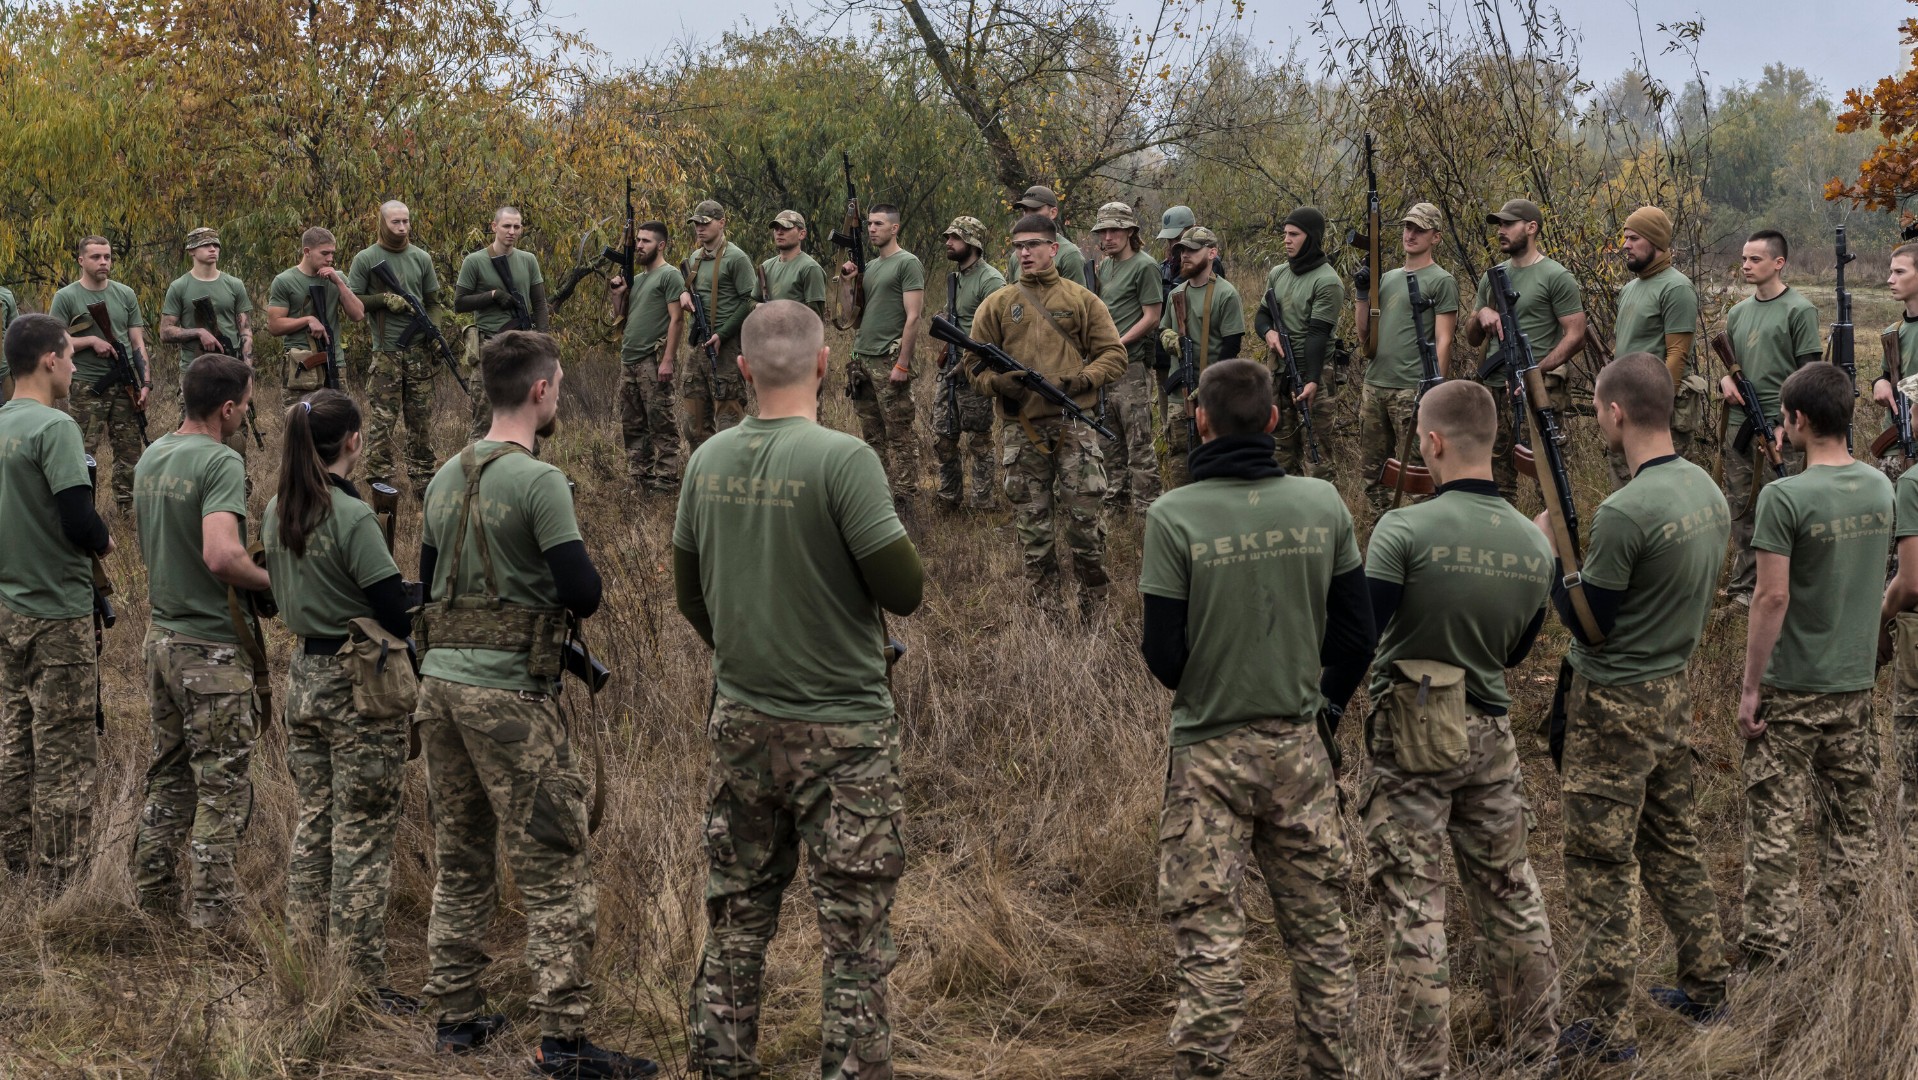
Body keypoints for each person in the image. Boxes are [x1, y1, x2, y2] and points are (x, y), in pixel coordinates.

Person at [674, 299, 922, 1080]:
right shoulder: (845, 461)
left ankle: (719, 1064)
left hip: (742, 717)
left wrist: (747, 646)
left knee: (738, 911)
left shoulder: (707, 459)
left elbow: (689, 593)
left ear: (742, 370)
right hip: (843, 731)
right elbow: (903, 588)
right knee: (853, 931)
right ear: (823, 366)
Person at [412, 331, 650, 1077]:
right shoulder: (539, 480)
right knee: (555, 863)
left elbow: (425, 584)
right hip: (510, 691)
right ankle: (565, 1040)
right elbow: (583, 592)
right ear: (542, 390)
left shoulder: (443, 477)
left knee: (461, 854)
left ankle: (454, 1017)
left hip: (440, 687)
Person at [1140, 358, 1373, 1080]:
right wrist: (1319, 702)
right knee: (1322, 934)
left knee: (1209, 938)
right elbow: (1355, 637)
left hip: (1209, 750)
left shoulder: (1172, 516)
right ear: (1274, 421)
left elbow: (1165, 654)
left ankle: (1203, 1068)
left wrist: (1219, 677)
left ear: (1199, 421)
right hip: (1300, 746)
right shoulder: (1323, 503)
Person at [1342, 379, 1557, 1076]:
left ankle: (1420, 1065)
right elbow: (1516, 653)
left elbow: (1362, 637)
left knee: (1414, 908)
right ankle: (1536, 1050)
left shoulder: (1403, 529)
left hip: (1409, 729)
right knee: (1510, 892)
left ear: (1431, 443)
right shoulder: (1533, 543)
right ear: (1493, 443)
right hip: (1490, 732)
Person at [1543, 352, 1732, 1063]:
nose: (1596, 421)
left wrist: (1553, 556)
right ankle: (1709, 986)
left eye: (1596, 411)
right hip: (1671, 690)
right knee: (1674, 841)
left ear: (1617, 412)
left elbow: (1590, 623)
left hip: (1616, 704)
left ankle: (1602, 1028)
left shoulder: (1627, 511)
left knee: (1600, 862)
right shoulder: (1705, 489)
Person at [261, 388, 416, 1010]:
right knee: (363, 829)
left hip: (304, 673)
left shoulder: (278, 508)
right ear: (353, 441)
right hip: (358, 683)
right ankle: (358, 977)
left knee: (316, 819)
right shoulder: (350, 518)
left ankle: (305, 956)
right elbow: (393, 613)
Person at [1735, 363, 1889, 965]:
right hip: (1854, 683)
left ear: (1796, 420)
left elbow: (1772, 597)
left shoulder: (1783, 497)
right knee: (1852, 821)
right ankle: (1854, 945)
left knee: (1774, 825)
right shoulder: (1881, 486)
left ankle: (1768, 952)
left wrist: (1751, 688)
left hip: (1794, 685)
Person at [129, 354, 269, 929]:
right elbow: (221, 554)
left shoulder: (152, 455)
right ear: (228, 407)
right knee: (223, 788)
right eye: (247, 403)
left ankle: (152, 895)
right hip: (209, 648)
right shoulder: (220, 462)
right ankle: (213, 914)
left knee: (170, 777)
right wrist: (275, 581)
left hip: (161, 638)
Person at [0, 314, 113, 886]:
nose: (73, 366)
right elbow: (77, 517)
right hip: (55, 607)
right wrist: (105, 538)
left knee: (13, 737)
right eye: (69, 356)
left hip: (7, 603)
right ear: (49, 359)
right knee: (65, 747)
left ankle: (15, 860)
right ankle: (61, 877)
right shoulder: (56, 427)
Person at [969, 213, 1126, 621]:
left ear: (1053, 248)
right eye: (1018, 246)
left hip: (1075, 428)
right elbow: (973, 366)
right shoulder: (998, 304)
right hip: (1021, 433)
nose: (1024, 252)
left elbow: (1114, 354)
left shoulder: (1081, 299)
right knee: (1033, 532)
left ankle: (1095, 612)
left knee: (1086, 528)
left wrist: (1083, 379)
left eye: (1033, 244)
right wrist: (998, 384)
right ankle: (1048, 616)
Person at [1716, 230, 1822, 606]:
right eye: (1743, 259)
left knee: (1782, 513)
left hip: (1783, 431)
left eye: (1755, 259)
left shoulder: (1799, 309)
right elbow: (1731, 366)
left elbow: (1808, 375)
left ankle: (1786, 592)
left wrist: (1784, 423)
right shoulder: (1738, 313)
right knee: (1741, 512)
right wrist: (1724, 380)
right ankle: (1744, 593)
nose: (1745, 265)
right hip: (1739, 429)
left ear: (1779, 263)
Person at [1464, 199, 1587, 500]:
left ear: (1531, 228)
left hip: (1537, 391)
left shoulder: (1555, 276)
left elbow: (1576, 334)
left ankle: (1555, 545)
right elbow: (1472, 338)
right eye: (1499, 225)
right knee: (1495, 483)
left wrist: (1536, 370)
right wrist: (1481, 316)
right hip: (1495, 390)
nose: (1501, 231)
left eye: (1508, 224)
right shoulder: (1492, 277)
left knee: (1550, 483)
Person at [1352, 203, 1457, 513]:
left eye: (1419, 229)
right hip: (1375, 386)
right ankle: (1382, 538)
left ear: (1435, 237)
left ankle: (1420, 542)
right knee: (1373, 473)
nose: (1410, 234)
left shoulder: (1441, 281)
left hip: (1412, 389)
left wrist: (1433, 392)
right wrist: (1361, 293)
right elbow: (1365, 337)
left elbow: (1444, 339)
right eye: (1408, 227)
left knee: (1417, 476)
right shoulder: (1386, 279)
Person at [346, 200, 445, 495]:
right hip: (386, 352)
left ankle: (423, 480)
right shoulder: (366, 258)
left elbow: (434, 302)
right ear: (382, 223)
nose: (402, 228)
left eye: (406, 221)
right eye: (395, 222)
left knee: (421, 420)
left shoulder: (421, 258)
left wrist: (435, 332)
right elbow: (352, 301)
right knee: (383, 421)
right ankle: (379, 482)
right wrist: (383, 299)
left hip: (419, 353)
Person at [49, 235, 150, 511]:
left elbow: (137, 342)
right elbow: (54, 341)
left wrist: (146, 383)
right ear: (81, 260)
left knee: (130, 450)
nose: (103, 262)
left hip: (125, 383)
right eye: (96, 257)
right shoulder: (67, 296)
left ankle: (128, 509)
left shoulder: (125, 294)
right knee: (82, 452)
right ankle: (81, 509)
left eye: (107, 256)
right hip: (86, 385)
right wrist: (90, 341)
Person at [1611, 206, 1704, 481]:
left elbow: (1677, 354)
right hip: (1627, 407)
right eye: (1625, 238)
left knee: (1660, 491)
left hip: (1656, 413)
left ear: (1656, 241)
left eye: (1634, 238)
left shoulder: (1676, 287)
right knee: (1626, 493)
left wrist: (1657, 411)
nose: (1625, 245)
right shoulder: (1629, 289)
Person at [843, 203, 924, 510]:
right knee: (872, 435)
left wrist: (903, 363)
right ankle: (879, 494)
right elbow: (851, 315)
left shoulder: (908, 263)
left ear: (895, 228)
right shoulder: (872, 267)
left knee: (900, 434)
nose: (872, 229)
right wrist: (850, 282)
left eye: (878, 224)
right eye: (869, 224)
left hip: (888, 359)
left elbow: (913, 317)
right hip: (862, 359)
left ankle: (904, 500)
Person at [1253, 208, 1343, 476]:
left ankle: (1322, 516)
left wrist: (1312, 379)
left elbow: (1318, 334)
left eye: (1294, 234)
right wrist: (1269, 333)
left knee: (1317, 462)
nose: (1287, 240)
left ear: (1312, 238)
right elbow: (1262, 316)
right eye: (1285, 234)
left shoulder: (1327, 281)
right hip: (1279, 376)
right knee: (1278, 458)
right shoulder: (1279, 273)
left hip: (1313, 375)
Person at [1090, 201, 1165, 512]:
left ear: (1130, 231)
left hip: (1130, 366)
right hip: (1104, 368)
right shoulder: (1104, 266)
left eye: (1115, 230)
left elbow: (1152, 317)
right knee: (1109, 442)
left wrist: (1118, 343)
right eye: (1103, 231)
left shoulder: (1145, 266)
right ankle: (1116, 503)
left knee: (1139, 443)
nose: (1107, 237)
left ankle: (1148, 507)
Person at [930, 215, 1006, 512]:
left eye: (955, 238)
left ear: (972, 243)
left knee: (979, 441)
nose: (948, 243)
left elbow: (997, 332)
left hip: (975, 372)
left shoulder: (991, 280)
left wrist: (968, 364)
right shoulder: (955, 278)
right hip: (949, 369)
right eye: (948, 237)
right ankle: (949, 498)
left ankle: (982, 504)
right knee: (944, 437)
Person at [1157, 227, 1243, 489]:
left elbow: (1232, 347)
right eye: (1182, 250)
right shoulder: (1175, 294)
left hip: (1213, 397)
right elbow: (1162, 330)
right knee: (1181, 469)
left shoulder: (1226, 294)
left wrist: (1211, 386)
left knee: (1217, 470)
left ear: (1212, 253)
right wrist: (1170, 338)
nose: (1185, 255)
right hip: (1178, 397)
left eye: (1193, 250)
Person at [160, 228, 255, 460]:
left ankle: (237, 487)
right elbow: (165, 331)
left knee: (235, 441)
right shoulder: (180, 287)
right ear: (191, 250)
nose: (213, 249)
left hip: (231, 372)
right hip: (195, 374)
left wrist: (248, 372)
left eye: (216, 245)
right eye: (206, 245)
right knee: (194, 439)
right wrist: (198, 332)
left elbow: (246, 331)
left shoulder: (234, 285)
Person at [455, 205, 549, 437]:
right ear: (494, 226)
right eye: (506, 226)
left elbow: (539, 303)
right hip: (490, 348)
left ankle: (524, 471)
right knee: (484, 425)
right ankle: (478, 472)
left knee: (526, 422)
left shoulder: (528, 260)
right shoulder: (475, 261)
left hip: (523, 348)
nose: (512, 231)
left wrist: (542, 340)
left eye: (517, 227)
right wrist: (493, 296)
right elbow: (459, 303)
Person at [608, 221, 686, 495]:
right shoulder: (638, 280)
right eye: (638, 240)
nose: (639, 245)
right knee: (632, 423)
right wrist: (618, 295)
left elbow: (677, 320)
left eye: (646, 241)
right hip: (629, 360)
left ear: (661, 245)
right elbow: (623, 318)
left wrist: (667, 360)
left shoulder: (670, 276)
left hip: (652, 360)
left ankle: (665, 481)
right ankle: (640, 478)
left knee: (660, 421)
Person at [681, 199, 756, 451]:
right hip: (698, 345)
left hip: (726, 347)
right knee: (694, 423)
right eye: (696, 224)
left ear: (721, 223)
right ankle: (702, 473)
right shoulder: (695, 258)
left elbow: (750, 301)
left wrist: (723, 333)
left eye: (705, 223)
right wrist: (684, 296)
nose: (699, 229)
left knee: (728, 421)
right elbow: (691, 290)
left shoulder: (736, 258)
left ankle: (733, 475)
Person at [265, 226, 369, 395]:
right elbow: (274, 326)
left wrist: (339, 283)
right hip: (302, 363)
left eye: (332, 253)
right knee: (301, 419)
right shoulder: (285, 281)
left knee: (338, 418)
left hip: (334, 361)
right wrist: (308, 320)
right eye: (324, 253)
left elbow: (358, 314)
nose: (330, 259)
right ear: (307, 251)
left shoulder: (337, 278)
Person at [1872, 240, 1918, 449]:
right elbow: (1888, 377)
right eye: (1891, 272)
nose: (1890, 280)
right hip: (1894, 446)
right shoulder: (1894, 332)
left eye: (1900, 272)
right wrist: (1879, 384)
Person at [1006, 184, 1086, 283]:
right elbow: (1011, 295)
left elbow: (1077, 296)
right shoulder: (1016, 256)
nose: (1028, 216)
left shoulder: (1069, 254)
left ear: (1053, 212)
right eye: (1025, 210)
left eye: (1035, 210)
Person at [759, 210, 829, 317]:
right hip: (770, 332)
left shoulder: (810, 268)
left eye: (786, 228)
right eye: (776, 228)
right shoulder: (766, 266)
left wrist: (780, 313)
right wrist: (759, 307)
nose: (779, 232)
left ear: (802, 234)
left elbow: (815, 318)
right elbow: (751, 301)